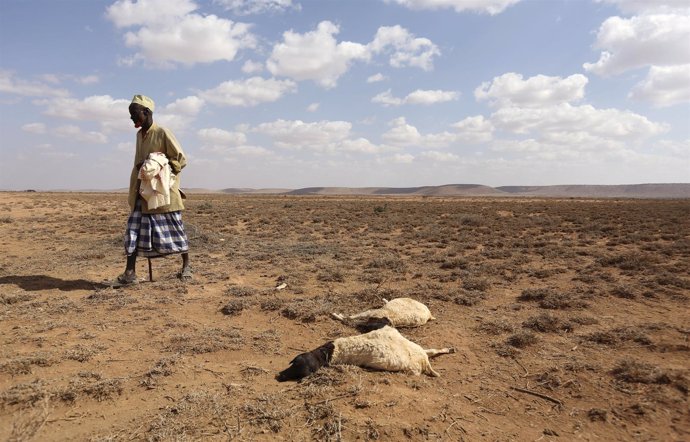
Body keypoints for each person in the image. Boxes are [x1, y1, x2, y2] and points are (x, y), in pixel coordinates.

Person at [112, 95, 191, 286]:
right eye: (130, 115)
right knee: (134, 230)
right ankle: (130, 272)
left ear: (146, 112)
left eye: (134, 114)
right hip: (142, 192)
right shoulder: (139, 136)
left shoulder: (162, 132)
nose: (132, 118)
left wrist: (159, 166)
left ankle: (187, 266)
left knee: (175, 229)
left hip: (163, 193)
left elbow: (180, 159)